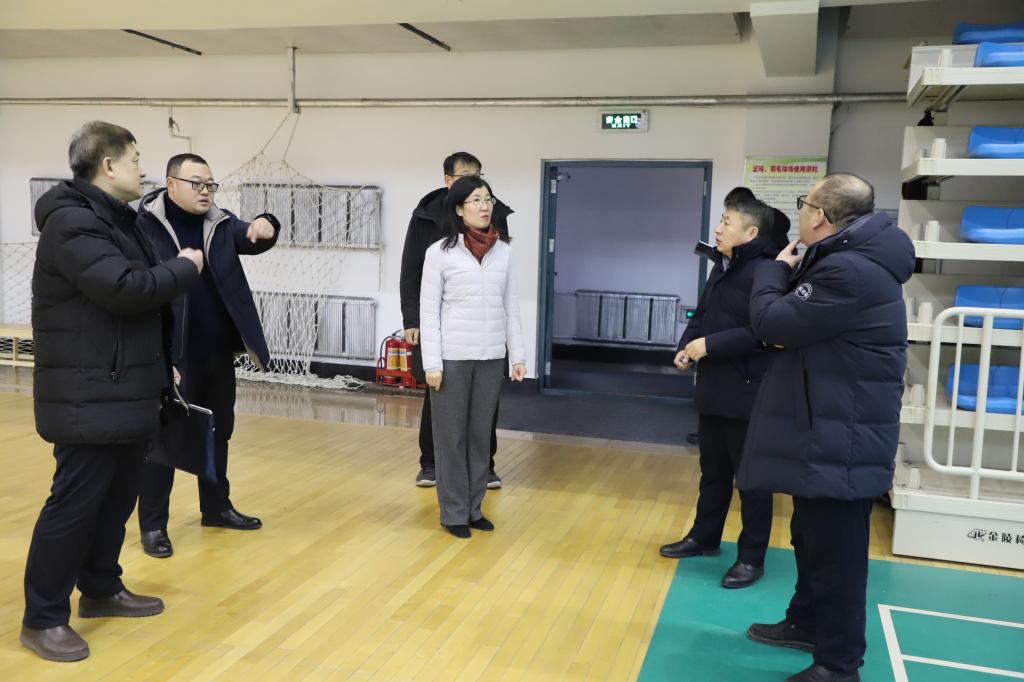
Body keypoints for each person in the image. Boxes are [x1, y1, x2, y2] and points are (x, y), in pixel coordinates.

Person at [22, 121, 203, 662]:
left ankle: (100, 588)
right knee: (74, 504)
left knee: (118, 497)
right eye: (136, 159)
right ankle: (42, 618)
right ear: (108, 166)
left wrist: (164, 368)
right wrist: (184, 267)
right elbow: (124, 290)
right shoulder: (73, 223)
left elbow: (137, 307)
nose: (142, 169)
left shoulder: (119, 219)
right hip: (88, 392)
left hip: (125, 386)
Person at [738, 174, 914, 682]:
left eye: (805, 203)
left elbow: (772, 322)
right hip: (830, 423)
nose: (801, 211)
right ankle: (806, 623)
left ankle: (839, 665)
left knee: (836, 554)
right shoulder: (849, 259)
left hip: (843, 432)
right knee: (810, 536)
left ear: (820, 216)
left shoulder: (848, 270)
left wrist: (773, 271)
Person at [136, 153, 279, 558]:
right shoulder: (144, 226)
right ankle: (153, 526)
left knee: (219, 430)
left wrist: (266, 224)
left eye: (210, 184)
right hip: (170, 353)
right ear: (171, 184)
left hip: (216, 352)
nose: (205, 192)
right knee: (163, 440)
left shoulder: (220, 222)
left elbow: (252, 237)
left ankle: (216, 507)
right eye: (196, 183)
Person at [660, 198, 778, 589]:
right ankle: (704, 537)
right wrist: (686, 345)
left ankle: (751, 557)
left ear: (751, 232)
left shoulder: (767, 271)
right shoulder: (722, 266)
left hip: (748, 391)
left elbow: (765, 331)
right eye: (721, 221)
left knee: (752, 481)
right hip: (714, 387)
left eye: (727, 222)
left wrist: (709, 345)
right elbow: (703, 314)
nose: (718, 229)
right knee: (713, 472)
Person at [419, 176, 527, 538]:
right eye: (476, 200)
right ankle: (453, 513)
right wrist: (432, 363)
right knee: (451, 438)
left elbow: (511, 307)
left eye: (488, 199)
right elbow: (428, 313)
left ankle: (474, 509)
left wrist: (518, 356)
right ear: (459, 209)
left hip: (491, 356)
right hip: (452, 358)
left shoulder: (504, 251)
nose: (484, 206)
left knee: (480, 436)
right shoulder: (439, 253)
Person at [400, 152, 514, 489]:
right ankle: (431, 463)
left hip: (484, 326)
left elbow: (503, 277)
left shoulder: (493, 213)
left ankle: (484, 466)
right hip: (441, 323)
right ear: (448, 180)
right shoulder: (425, 217)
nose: (476, 185)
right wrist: (412, 319)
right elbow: (411, 270)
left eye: (478, 175)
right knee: (438, 393)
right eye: (466, 176)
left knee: (485, 403)